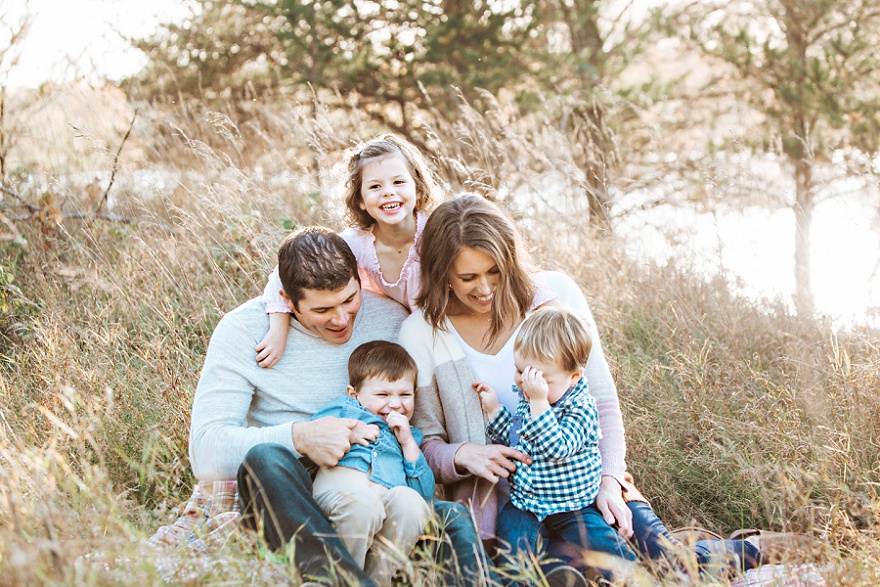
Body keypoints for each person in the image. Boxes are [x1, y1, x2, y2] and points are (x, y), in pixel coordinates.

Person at [397, 194, 765, 581]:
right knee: (551, 574)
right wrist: (462, 454)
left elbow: (602, 403)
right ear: (442, 275)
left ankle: (757, 548)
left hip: (584, 485)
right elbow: (425, 442)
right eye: (468, 278)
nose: (486, 289)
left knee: (661, 560)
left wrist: (609, 482)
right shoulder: (422, 333)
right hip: (509, 509)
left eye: (495, 271)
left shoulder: (554, 295)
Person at [164, 226, 490, 587]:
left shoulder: (390, 319)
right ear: (287, 300)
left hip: (380, 483)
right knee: (265, 459)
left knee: (453, 520)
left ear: (358, 278)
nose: (340, 318)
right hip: (294, 495)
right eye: (322, 309)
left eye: (349, 299)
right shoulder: (242, 330)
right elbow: (206, 451)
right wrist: (301, 438)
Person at [474, 306, 633, 583]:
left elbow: (557, 448)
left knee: (605, 546)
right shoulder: (530, 397)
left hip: (573, 504)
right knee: (511, 547)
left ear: (574, 377)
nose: (526, 382)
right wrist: (494, 411)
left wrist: (538, 402)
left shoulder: (581, 409)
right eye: (520, 370)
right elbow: (517, 439)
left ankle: (636, 577)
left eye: (540, 378)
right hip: (526, 501)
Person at [256, 133, 439, 368]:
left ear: (419, 189)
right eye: (375, 186)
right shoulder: (358, 243)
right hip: (412, 337)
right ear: (360, 199)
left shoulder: (437, 231)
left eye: (399, 182)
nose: (388, 192)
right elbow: (284, 277)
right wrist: (278, 331)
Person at [310, 340, 434, 586]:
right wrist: (349, 433)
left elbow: (424, 494)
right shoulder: (344, 411)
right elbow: (314, 435)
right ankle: (342, 580)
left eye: (405, 394)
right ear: (354, 394)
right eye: (383, 395)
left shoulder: (408, 436)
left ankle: (379, 579)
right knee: (363, 504)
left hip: (382, 510)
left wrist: (408, 443)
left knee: (411, 502)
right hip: (337, 500)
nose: (396, 403)